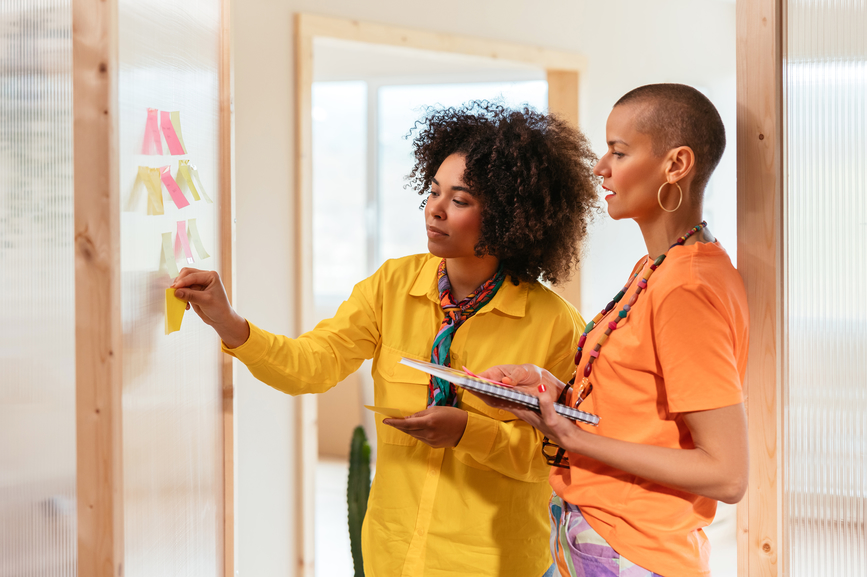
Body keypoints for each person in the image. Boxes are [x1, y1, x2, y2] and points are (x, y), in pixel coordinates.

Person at [171, 101, 598, 577]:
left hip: (494, 562)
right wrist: (227, 320)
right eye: (434, 191)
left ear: (508, 216)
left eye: (459, 201)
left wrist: (467, 431)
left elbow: (557, 455)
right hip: (393, 553)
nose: (434, 209)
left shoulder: (557, 325)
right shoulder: (392, 285)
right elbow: (311, 366)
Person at [478, 84, 749, 577]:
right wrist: (550, 392)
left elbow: (727, 473)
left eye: (619, 151)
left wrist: (574, 439)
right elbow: (642, 412)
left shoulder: (686, 288)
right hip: (591, 536)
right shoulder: (657, 267)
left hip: (634, 552)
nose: (601, 167)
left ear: (676, 165)